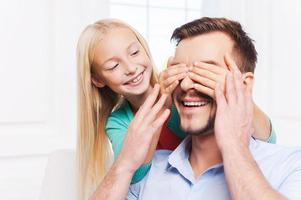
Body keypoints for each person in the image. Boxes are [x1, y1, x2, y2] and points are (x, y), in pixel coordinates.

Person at [76, 19, 275, 200]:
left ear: (145, 50)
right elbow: (136, 179)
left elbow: (267, 139)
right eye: (113, 66)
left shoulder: (185, 93)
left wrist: (236, 88)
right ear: (98, 79)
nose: (131, 68)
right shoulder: (118, 121)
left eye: (135, 53)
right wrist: (162, 100)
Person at [124, 17, 301, 199]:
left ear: (245, 85)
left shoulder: (290, 166)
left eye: (205, 73)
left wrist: (233, 146)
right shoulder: (145, 174)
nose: (185, 85)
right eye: (180, 71)